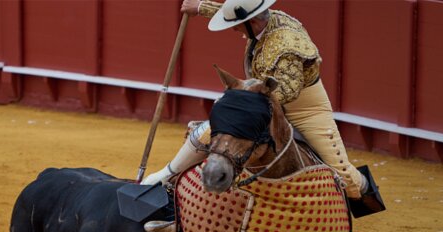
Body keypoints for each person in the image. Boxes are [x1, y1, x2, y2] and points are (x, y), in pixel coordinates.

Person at [142, 0, 371, 211]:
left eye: (238, 26)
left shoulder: (287, 44)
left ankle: (362, 196)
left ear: (252, 22)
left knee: (343, 174)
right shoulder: (262, 21)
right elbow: (232, 12)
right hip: (261, 98)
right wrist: (200, 7)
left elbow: (289, 90)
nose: (235, 30)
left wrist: (244, 103)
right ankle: (166, 175)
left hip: (304, 109)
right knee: (214, 132)